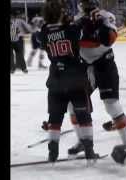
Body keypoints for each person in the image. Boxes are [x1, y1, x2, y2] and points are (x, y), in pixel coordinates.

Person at [66, 0, 126, 165]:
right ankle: (83, 142)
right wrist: (83, 26)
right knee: (72, 103)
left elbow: (108, 40)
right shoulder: (77, 19)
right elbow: (74, 42)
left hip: (105, 65)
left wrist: (97, 26)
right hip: (84, 66)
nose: (86, 6)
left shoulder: (107, 17)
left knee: (112, 105)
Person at [39, 0, 98, 163]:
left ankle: (52, 153)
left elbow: (45, 36)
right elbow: (84, 24)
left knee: (54, 118)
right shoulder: (71, 30)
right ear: (60, 13)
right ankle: (89, 152)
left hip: (55, 79)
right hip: (75, 79)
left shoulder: (43, 32)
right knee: (84, 116)